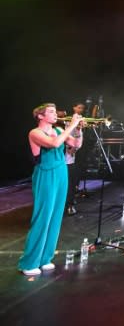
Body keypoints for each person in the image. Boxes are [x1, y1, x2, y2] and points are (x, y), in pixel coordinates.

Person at [18, 103, 83, 276]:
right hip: (46, 173)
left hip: (61, 172)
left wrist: (79, 130)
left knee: (55, 217)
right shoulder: (35, 133)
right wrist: (72, 125)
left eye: (55, 111)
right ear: (40, 116)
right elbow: (54, 144)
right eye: (51, 112)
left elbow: (76, 145)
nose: (56, 114)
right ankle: (29, 262)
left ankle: (45, 258)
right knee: (43, 217)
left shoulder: (60, 131)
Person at [64, 102, 86, 215]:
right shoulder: (67, 120)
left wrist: (79, 129)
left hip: (70, 158)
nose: (81, 109)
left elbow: (77, 142)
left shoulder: (79, 120)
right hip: (62, 158)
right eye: (79, 107)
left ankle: (70, 204)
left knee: (71, 183)